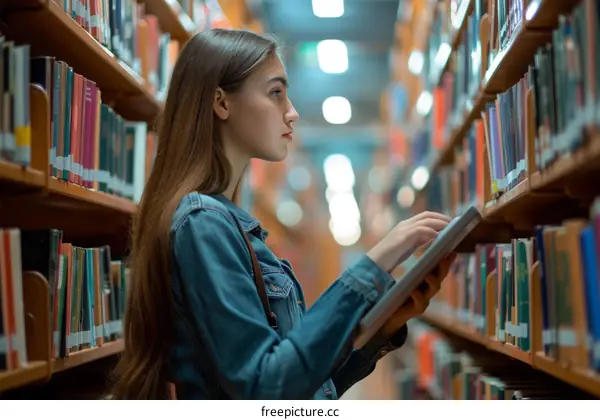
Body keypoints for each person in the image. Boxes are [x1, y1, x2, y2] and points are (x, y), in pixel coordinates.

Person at [110, 29, 455, 400]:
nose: (292, 112)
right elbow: (268, 388)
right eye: (275, 93)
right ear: (221, 103)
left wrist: (383, 328)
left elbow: (299, 388)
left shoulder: (227, 224)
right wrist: (373, 265)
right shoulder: (203, 223)